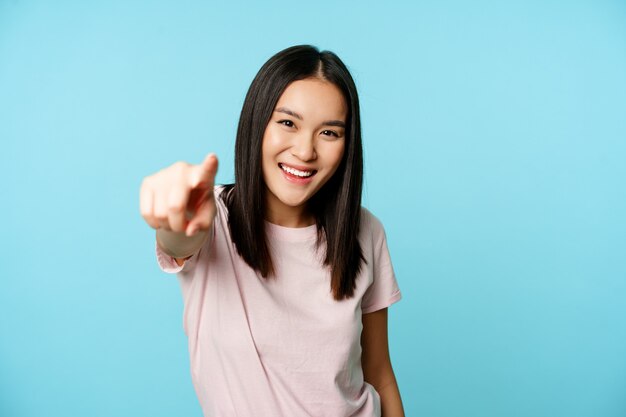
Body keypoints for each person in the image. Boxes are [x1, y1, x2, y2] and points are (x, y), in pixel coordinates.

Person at [139, 44, 405, 417]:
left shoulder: (364, 230)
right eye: (287, 123)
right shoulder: (212, 217)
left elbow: (379, 372)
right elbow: (179, 238)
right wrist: (174, 218)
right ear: (257, 122)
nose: (305, 151)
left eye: (329, 132)